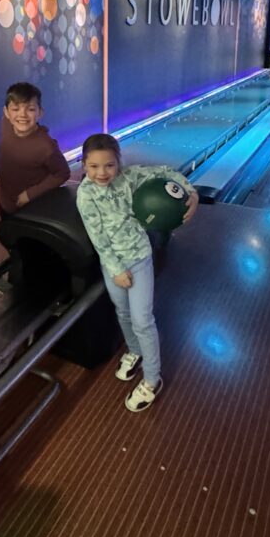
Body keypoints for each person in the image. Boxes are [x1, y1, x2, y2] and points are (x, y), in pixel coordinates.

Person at [76, 133, 199, 412]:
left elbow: (167, 172)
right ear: (84, 165)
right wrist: (117, 270)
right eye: (94, 166)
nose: (102, 172)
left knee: (143, 320)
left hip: (140, 258)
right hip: (112, 265)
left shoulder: (130, 177)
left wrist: (191, 193)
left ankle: (152, 380)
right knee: (123, 313)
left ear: (119, 162)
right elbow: (98, 239)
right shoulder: (85, 194)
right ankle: (134, 351)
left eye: (109, 165)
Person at [0, 81, 71, 214]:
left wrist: (30, 194)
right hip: (5, 200)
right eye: (15, 109)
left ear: (40, 113)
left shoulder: (46, 146)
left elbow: (63, 173)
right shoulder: (5, 124)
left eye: (30, 109)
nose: (22, 115)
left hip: (31, 206)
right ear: (6, 112)